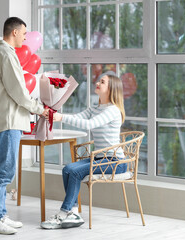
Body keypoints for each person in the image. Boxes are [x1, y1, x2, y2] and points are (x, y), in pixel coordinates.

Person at [0, 17, 49, 235]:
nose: (25, 36)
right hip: (8, 120)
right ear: (14, 32)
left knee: (4, 168)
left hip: (9, 119)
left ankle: (0, 214)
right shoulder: (5, 54)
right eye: (23, 33)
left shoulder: (4, 53)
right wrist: (40, 109)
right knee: (4, 170)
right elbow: (18, 91)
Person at [40, 71, 126, 229]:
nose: (98, 83)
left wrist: (61, 118)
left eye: (102, 82)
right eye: (99, 81)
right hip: (100, 158)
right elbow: (79, 117)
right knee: (67, 169)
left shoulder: (112, 110)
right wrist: (56, 114)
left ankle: (64, 213)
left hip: (115, 162)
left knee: (75, 172)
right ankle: (72, 213)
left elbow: (89, 125)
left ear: (111, 89)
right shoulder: (96, 108)